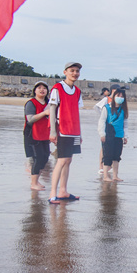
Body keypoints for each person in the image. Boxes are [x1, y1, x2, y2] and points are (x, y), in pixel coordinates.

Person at [48, 62, 84, 204]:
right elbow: (52, 109)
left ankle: (63, 190)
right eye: (72, 71)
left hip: (74, 131)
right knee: (61, 160)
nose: (75, 73)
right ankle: (52, 193)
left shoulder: (77, 91)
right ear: (65, 72)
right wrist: (52, 131)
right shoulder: (57, 88)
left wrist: (79, 134)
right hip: (62, 129)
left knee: (68, 160)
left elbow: (77, 112)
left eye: (77, 71)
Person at [24, 81, 51, 190]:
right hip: (32, 134)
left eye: (44, 88)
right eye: (39, 88)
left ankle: (37, 180)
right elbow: (30, 119)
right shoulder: (31, 103)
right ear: (35, 90)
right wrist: (44, 113)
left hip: (45, 134)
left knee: (45, 157)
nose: (42, 90)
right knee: (37, 158)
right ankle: (33, 183)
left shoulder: (48, 103)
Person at [99, 88, 129, 182]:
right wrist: (102, 134)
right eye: (118, 95)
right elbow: (102, 121)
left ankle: (115, 176)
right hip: (109, 134)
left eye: (122, 96)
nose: (120, 97)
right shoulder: (107, 107)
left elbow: (126, 124)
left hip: (119, 136)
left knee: (117, 157)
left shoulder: (123, 110)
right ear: (114, 96)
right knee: (107, 155)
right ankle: (105, 176)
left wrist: (126, 136)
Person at [94, 86, 114, 174]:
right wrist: (103, 116)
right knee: (104, 147)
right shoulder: (106, 99)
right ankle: (101, 166)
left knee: (112, 146)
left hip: (114, 126)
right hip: (106, 125)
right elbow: (96, 107)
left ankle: (110, 166)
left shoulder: (119, 100)